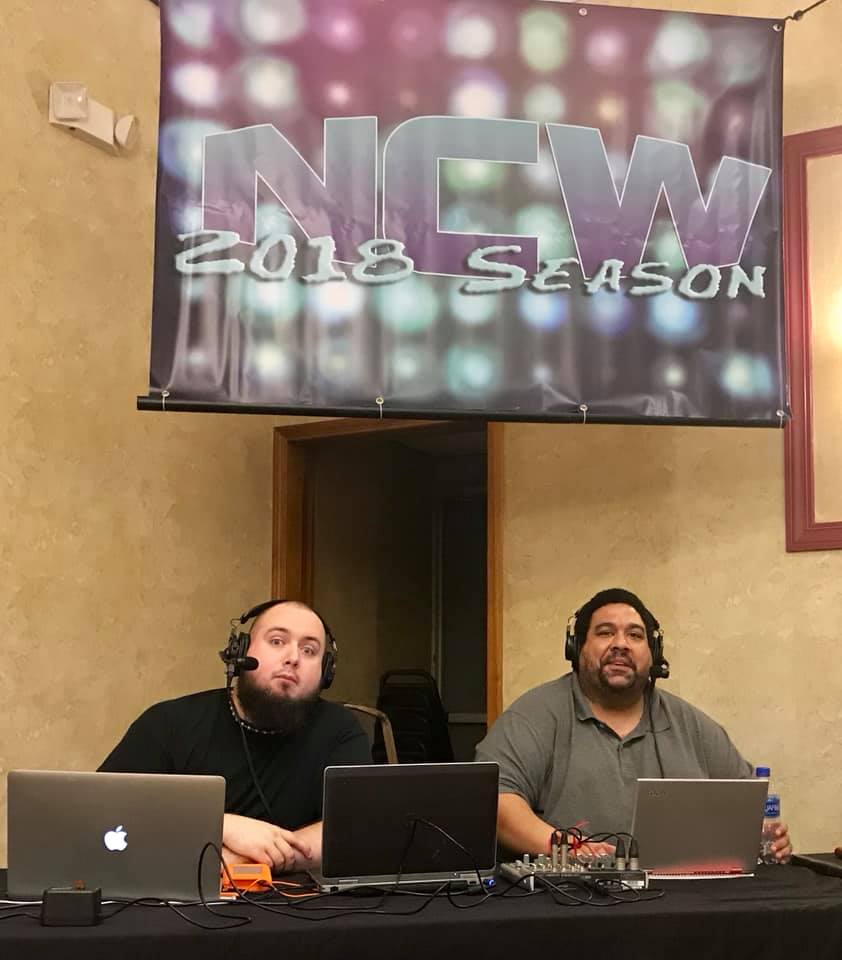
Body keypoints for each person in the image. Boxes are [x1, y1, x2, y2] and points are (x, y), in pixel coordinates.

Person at [476, 587, 792, 861]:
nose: (621, 644)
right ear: (576, 648)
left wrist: (766, 838)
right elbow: (497, 802)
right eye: (605, 632)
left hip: (684, 900)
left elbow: (746, 808)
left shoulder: (692, 725)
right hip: (568, 899)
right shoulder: (534, 715)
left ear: (653, 654)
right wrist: (572, 848)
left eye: (635, 635)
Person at [99, 599, 370, 872]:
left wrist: (247, 861)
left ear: (325, 672)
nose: (293, 658)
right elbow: (103, 810)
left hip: (300, 897)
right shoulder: (168, 722)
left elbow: (356, 828)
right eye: (277, 641)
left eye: (309, 650)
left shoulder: (340, 730)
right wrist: (219, 825)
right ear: (240, 650)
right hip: (183, 895)